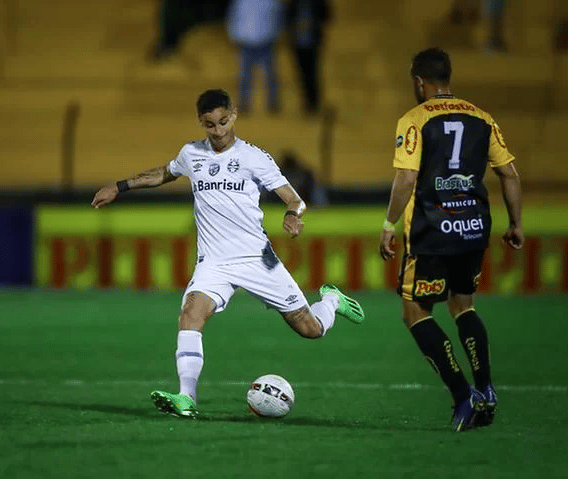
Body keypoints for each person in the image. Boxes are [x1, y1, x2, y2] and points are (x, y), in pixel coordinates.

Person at [92, 88, 365, 418]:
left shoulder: (254, 157)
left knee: (310, 329)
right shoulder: (191, 154)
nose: (218, 131)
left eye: (223, 122)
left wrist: (293, 215)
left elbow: (294, 198)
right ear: (201, 123)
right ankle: (187, 398)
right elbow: (164, 173)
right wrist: (119, 187)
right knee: (190, 315)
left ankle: (331, 299)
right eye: (210, 125)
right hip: (215, 263)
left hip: (257, 258)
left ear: (233, 115)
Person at [379, 48, 523, 431]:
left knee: (414, 311)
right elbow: (509, 173)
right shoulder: (482, 117)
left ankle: (463, 396)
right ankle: (486, 388)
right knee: (463, 304)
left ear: (420, 81)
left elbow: (407, 178)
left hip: (432, 231)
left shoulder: (414, 120)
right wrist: (515, 223)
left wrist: (389, 224)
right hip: (473, 228)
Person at [226, 0, 283, 114]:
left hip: (267, 42)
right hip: (246, 43)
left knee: (270, 75)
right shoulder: (241, 3)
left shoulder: (272, 2)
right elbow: (232, 19)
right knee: (245, 76)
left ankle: (273, 103)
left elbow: (279, 20)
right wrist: (233, 37)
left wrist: (278, 36)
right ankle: (244, 104)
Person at [285, 0, 332, 116]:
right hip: (298, 44)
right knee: (302, 73)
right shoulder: (293, 3)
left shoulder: (317, 3)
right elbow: (287, 19)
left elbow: (327, 16)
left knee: (313, 73)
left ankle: (314, 103)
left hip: (313, 43)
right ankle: (307, 102)